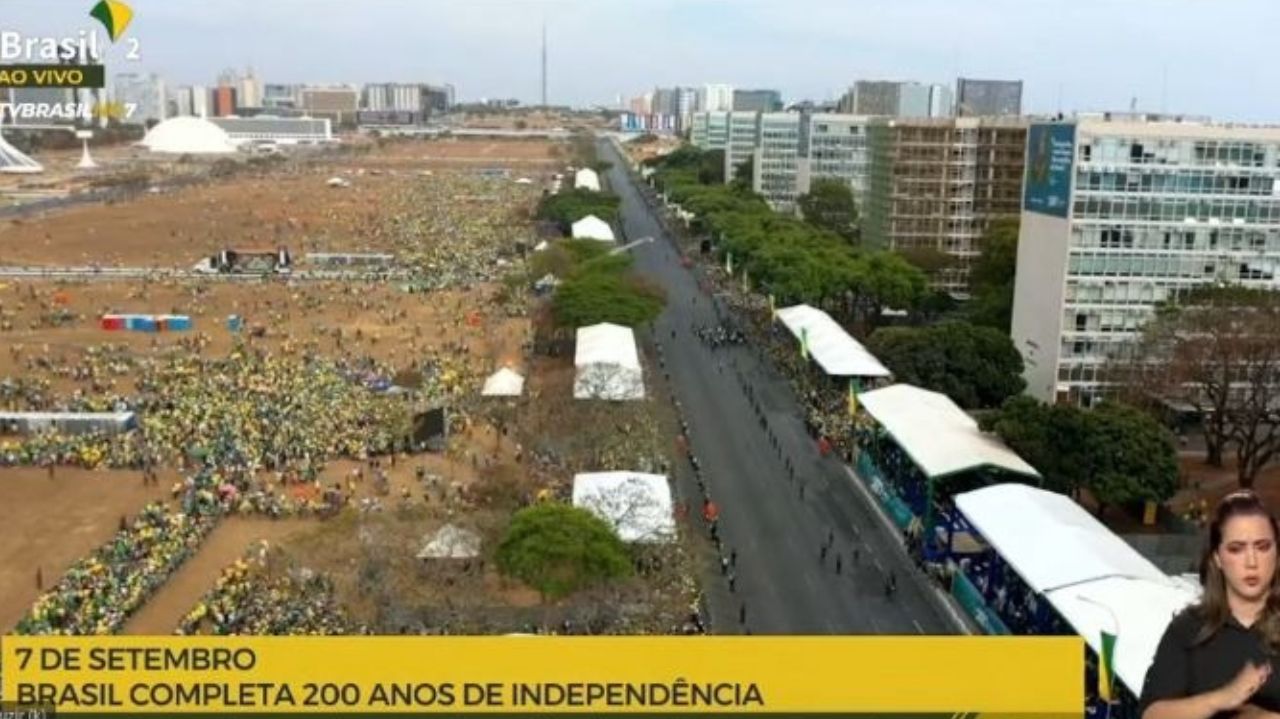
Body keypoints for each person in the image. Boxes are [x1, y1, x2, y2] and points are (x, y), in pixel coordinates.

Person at [1140, 490, 1280, 718]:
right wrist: (1221, 699)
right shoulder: (1187, 629)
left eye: (1263, 547)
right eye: (1236, 549)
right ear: (1217, 557)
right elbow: (1151, 714)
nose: (1252, 562)